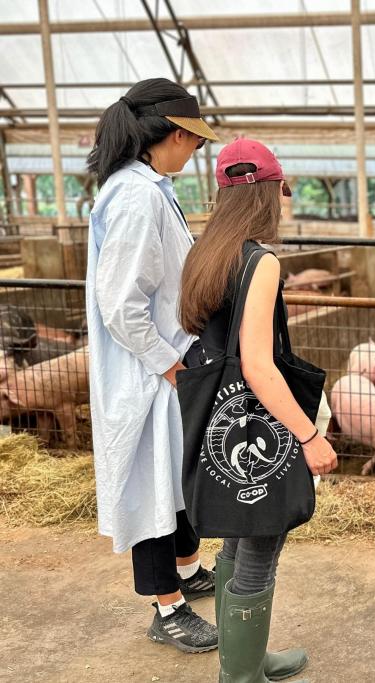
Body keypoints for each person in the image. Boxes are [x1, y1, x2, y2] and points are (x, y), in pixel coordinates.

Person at [178, 138, 337, 682]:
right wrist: (309, 436)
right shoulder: (260, 260)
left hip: (220, 420)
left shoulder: (208, 252)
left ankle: (245, 656)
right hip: (258, 419)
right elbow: (258, 364)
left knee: (235, 532)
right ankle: (240, 676)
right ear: (270, 193)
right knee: (262, 543)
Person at [85, 78, 220, 654]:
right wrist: (167, 363)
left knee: (172, 477)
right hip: (148, 370)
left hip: (162, 361)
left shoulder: (150, 188)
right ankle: (167, 608)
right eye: (189, 137)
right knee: (150, 488)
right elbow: (121, 301)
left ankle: (187, 568)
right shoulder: (138, 197)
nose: (194, 148)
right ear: (163, 134)